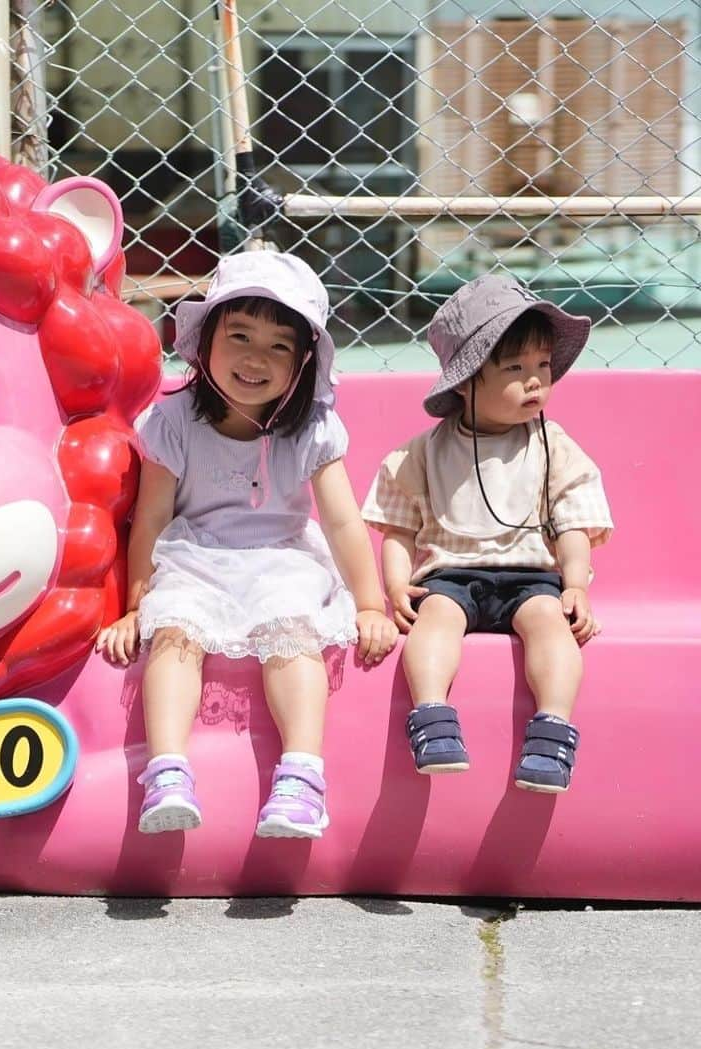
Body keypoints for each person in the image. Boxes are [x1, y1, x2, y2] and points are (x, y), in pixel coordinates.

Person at [96, 251, 397, 838]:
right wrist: (137, 606)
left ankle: (302, 776)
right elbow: (151, 517)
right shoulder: (174, 421)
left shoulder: (311, 428)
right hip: (194, 555)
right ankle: (167, 770)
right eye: (239, 335)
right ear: (205, 341)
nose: (256, 358)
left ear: (304, 362)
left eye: (279, 346)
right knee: (175, 630)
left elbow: (340, 522)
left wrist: (368, 604)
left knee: (292, 629)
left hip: (282, 555)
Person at [362, 274, 613, 793]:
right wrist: (395, 587)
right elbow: (398, 527)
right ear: (466, 379)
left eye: (543, 366)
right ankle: (432, 717)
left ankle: (553, 729)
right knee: (435, 620)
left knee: (551, 625)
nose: (536, 381)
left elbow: (571, 520)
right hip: (451, 576)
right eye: (515, 369)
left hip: (530, 579)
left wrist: (575, 585)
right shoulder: (425, 451)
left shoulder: (552, 445)